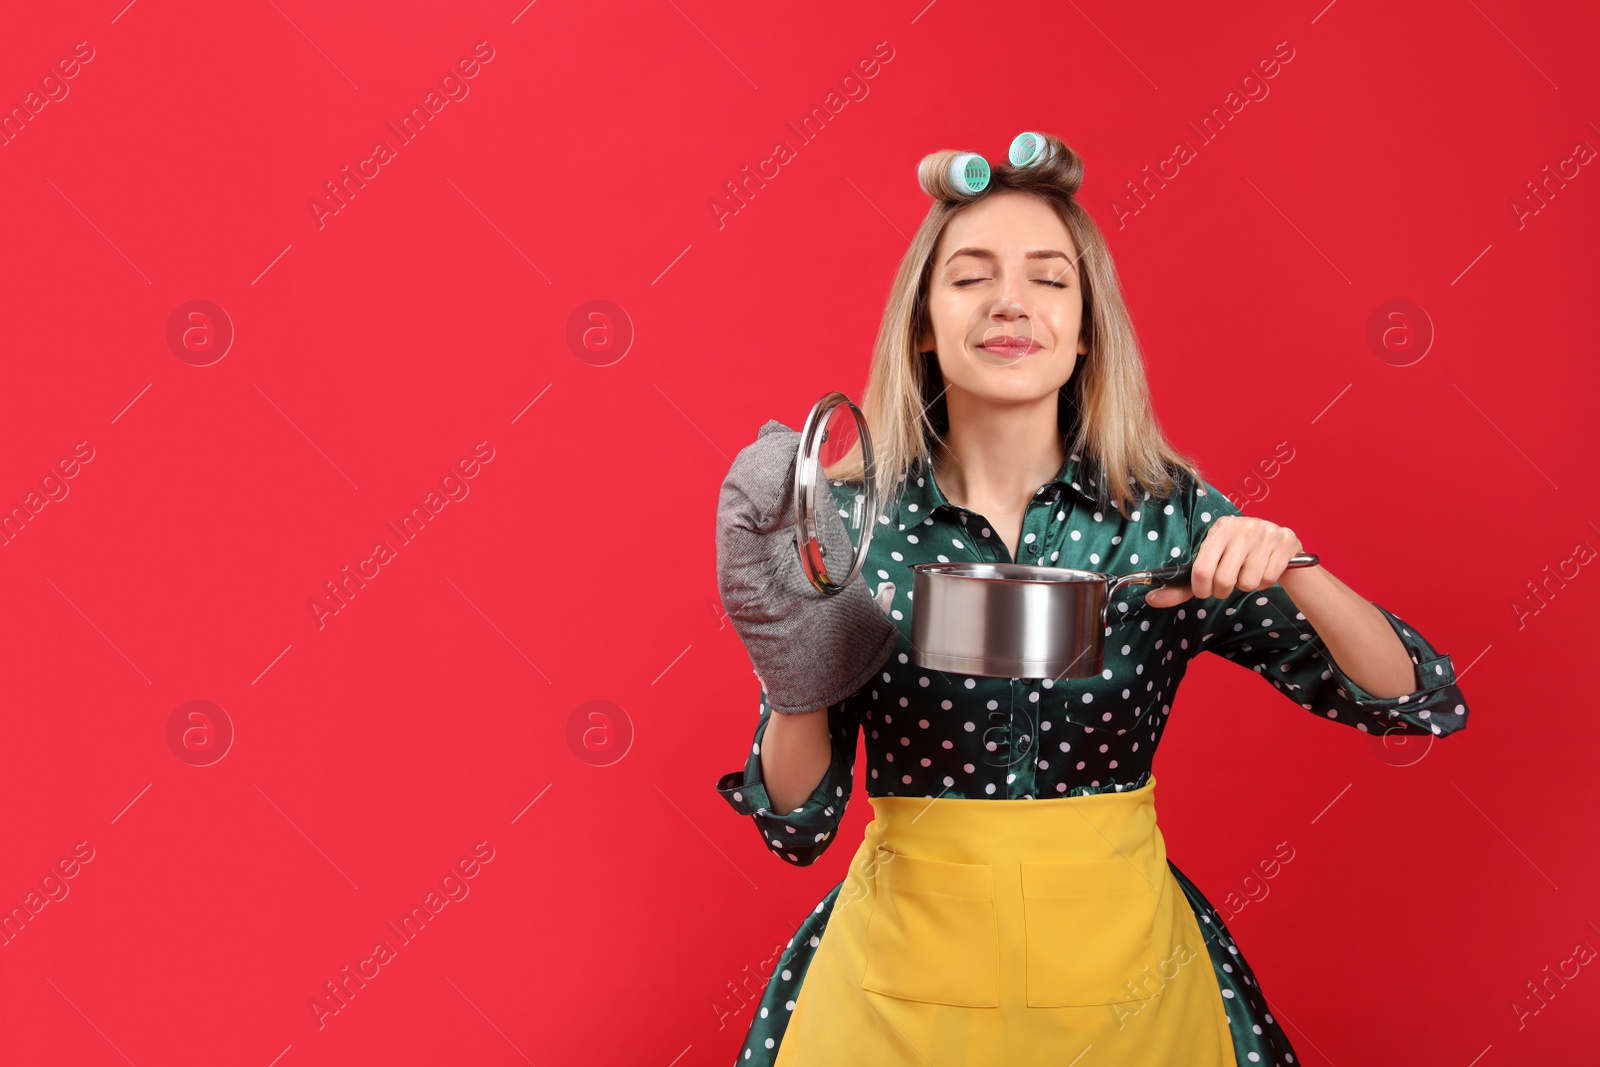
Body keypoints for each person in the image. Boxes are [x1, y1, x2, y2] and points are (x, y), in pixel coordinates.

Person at [712, 131, 1471, 1066]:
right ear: (921, 322)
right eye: (970, 276)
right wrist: (796, 670)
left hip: (1129, 994)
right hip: (895, 995)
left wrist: (1295, 566)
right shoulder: (850, 523)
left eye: (1048, 278)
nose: (1009, 303)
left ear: (1084, 327)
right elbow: (797, 823)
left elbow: (1414, 698)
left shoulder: (1163, 518)